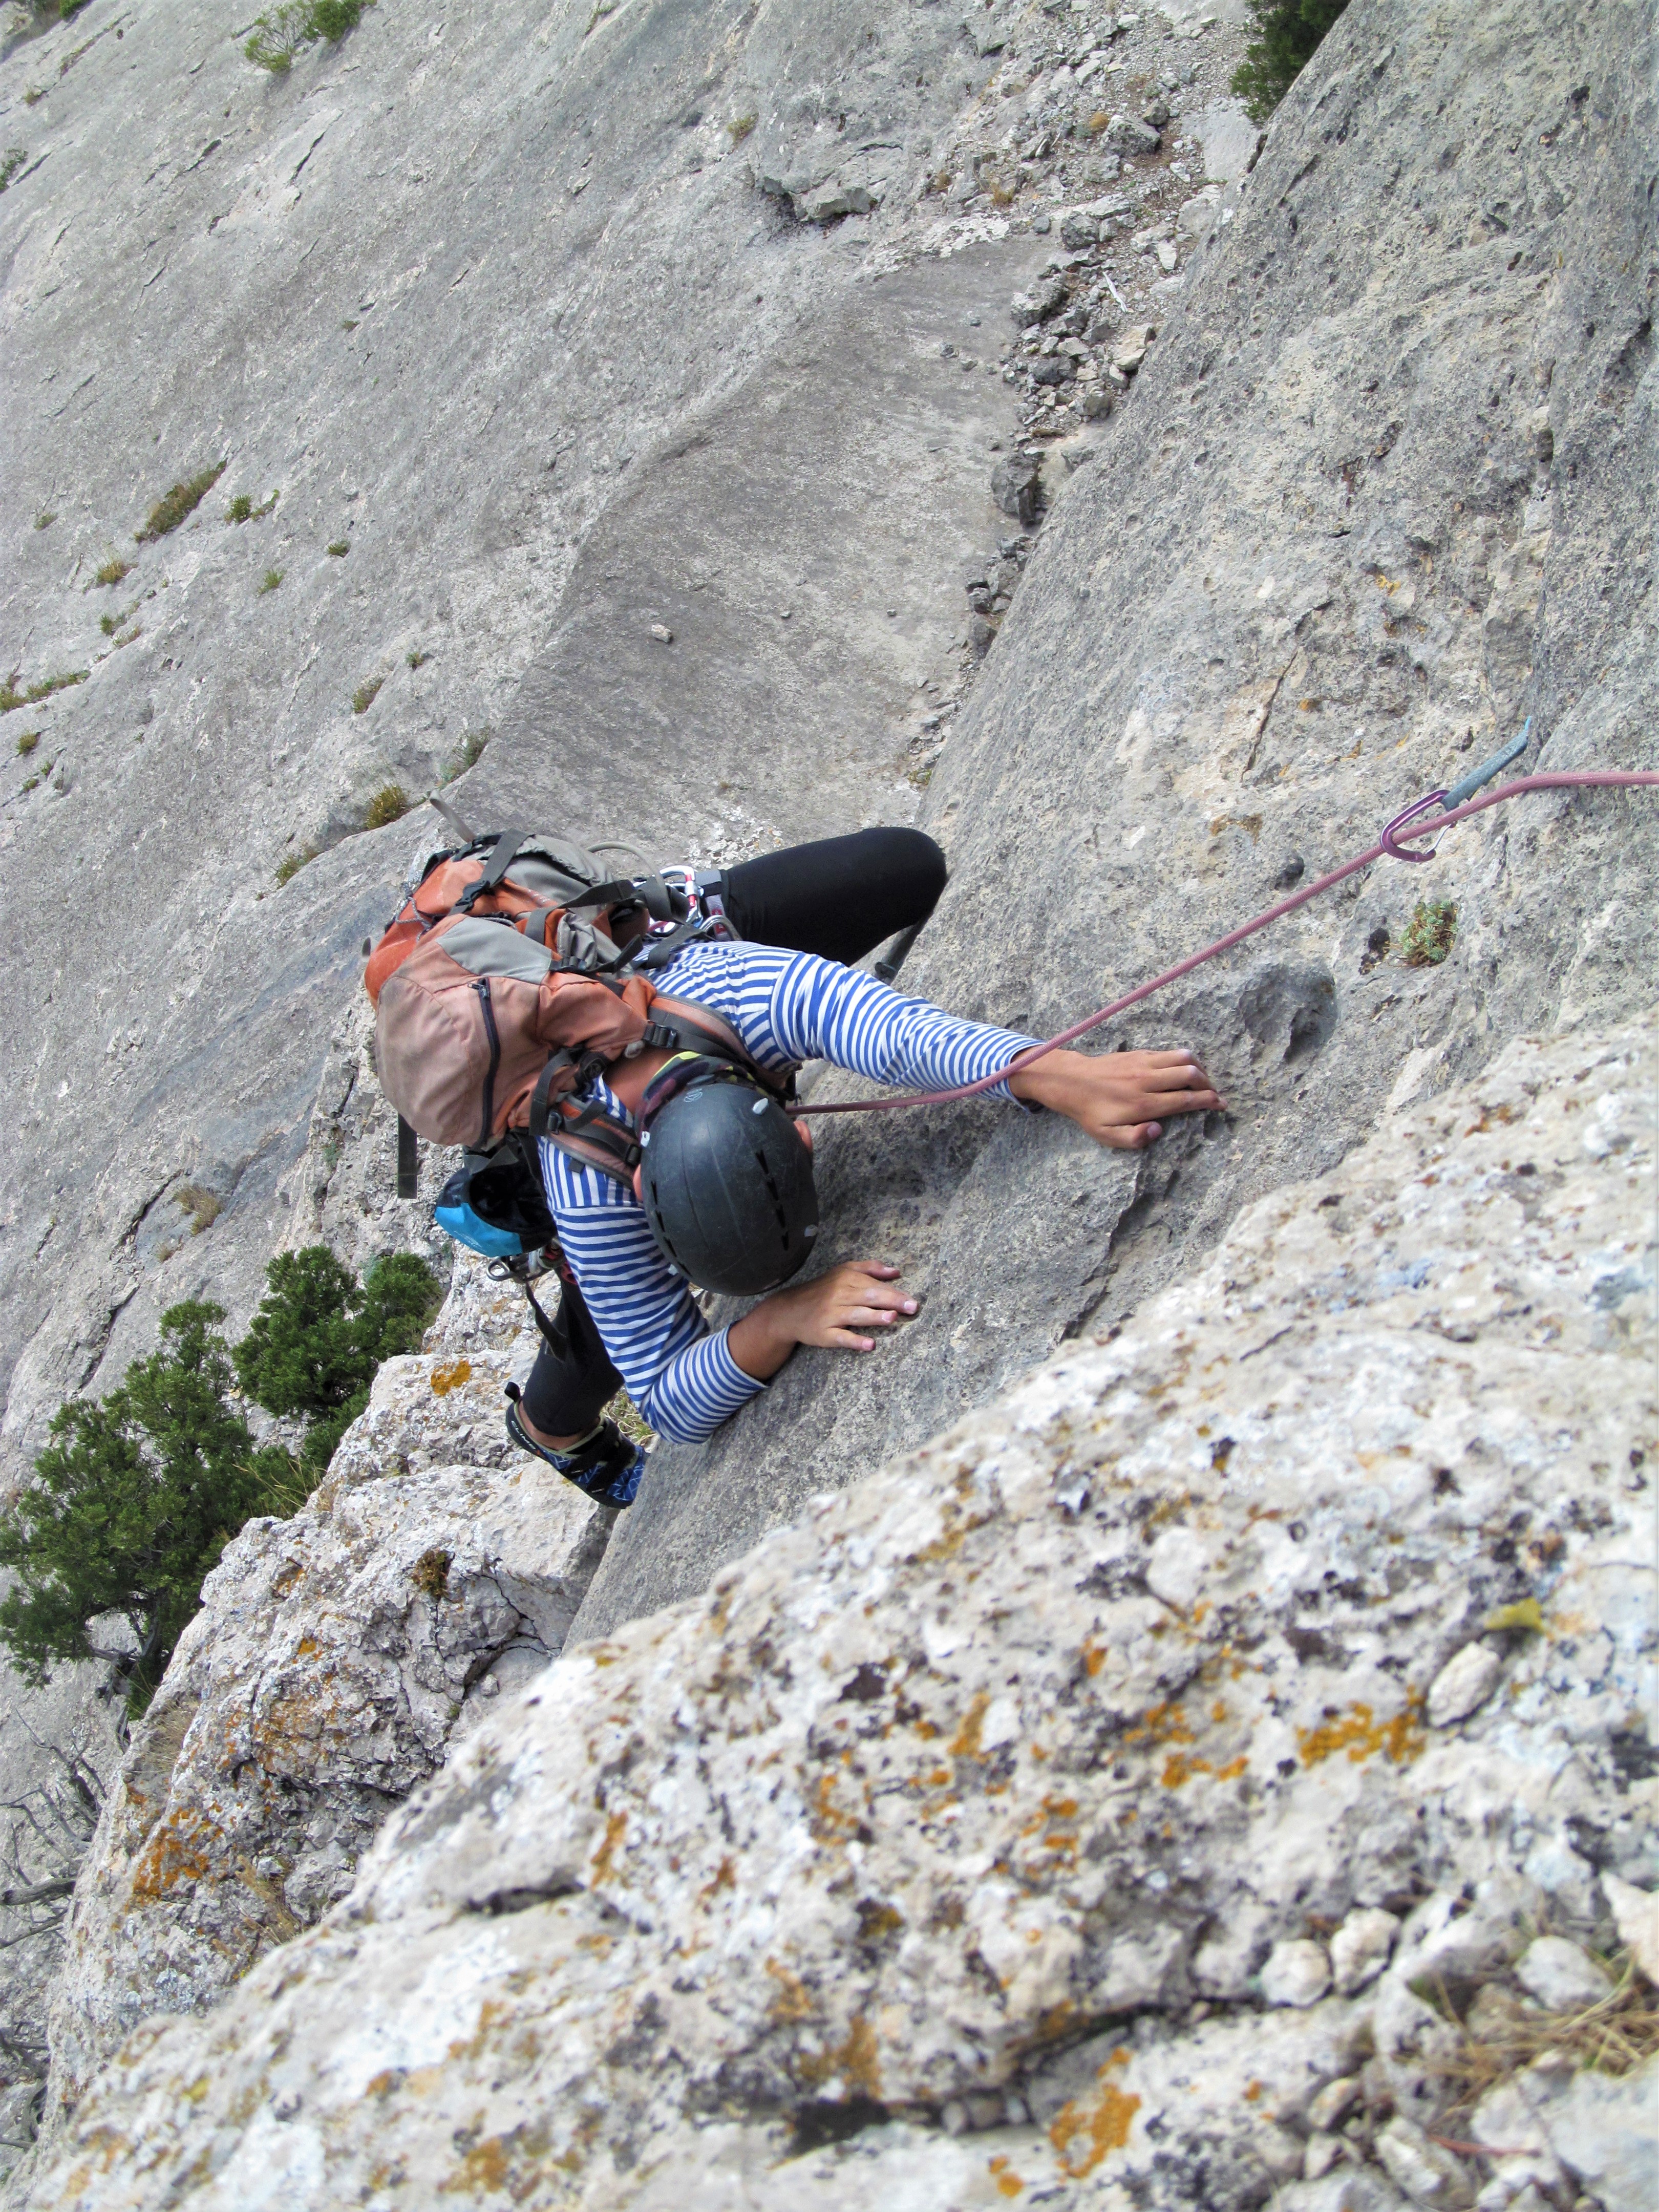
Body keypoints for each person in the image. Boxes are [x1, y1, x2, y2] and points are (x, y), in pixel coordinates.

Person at [504, 826, 1222, 1505]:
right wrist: (781, 1319)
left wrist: (1050, 1073)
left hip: (644, 950)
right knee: (603, 1298)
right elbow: (666, 1400)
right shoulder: (587, 1188)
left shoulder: (748, 989)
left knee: (908, 866)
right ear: (639, 1194)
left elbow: (891, 1033)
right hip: (540, 1052)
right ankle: (551, 1429)